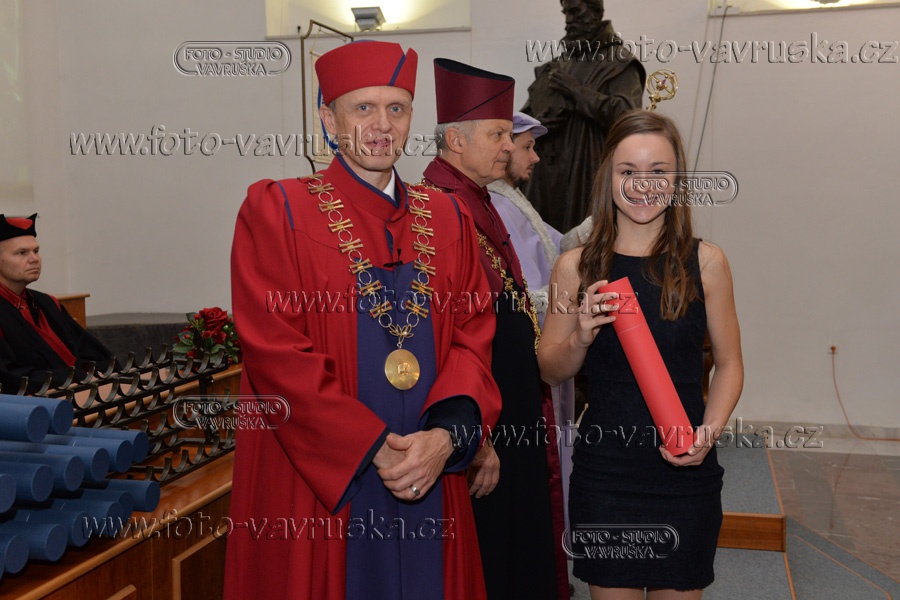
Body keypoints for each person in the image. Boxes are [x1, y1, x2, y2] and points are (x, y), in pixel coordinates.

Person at [226, 42, 501, 600]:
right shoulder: (279, 211)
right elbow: (275, 353)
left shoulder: (447, 216)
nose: (381, 125)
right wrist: (372, 444)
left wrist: (445, 438)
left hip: (428, 471)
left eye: (396, 108)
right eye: (363, 108)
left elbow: (473, 334)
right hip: (327, 481)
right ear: (329, 120)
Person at [537, 110, 743, 599]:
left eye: (658, 171)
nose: (642, 185)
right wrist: (580, 336)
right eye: (628, 171)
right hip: (607, 473)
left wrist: (708, 433)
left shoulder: (706, 263)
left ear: (677, 179)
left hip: (684, 469)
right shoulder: (575, 268)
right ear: (608, 177)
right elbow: (549, 368)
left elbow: (730, 364)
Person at [422, 58, 568, 600]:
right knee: (492, 554)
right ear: (456, 140)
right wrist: (477, 438)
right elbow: (442, 338)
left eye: (510, 135)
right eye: (498, 134)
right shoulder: (437, 207)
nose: (509, 146)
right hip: (486, 419)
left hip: (510, 408)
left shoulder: (477, 198)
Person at [486, 111, 576, 537]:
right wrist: (566, 303)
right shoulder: (495, 203)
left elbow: (557, 246)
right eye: (528, 147)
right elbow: (520, 288)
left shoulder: (512, 199)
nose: (535, 157)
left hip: (546, 336)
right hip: (531, 346)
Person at [522, 0, 645, 233]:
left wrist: (577, 92)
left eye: (575, 11)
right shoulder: (560, 63)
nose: (568, 20)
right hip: (546, 177)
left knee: (584, 245)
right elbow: (526, 118)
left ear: (596, 11)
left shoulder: (619, 62)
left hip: (586, 172)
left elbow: (628, 116)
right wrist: (540, 121)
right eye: (566, 12)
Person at [0, 214, 114, 392]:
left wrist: (99, 371)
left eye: (36, 251)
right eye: (22, 253)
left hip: (81, 392)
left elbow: (88, 350)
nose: (34, 259)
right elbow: (9, 376)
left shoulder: (47, 302)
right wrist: (77, 377)